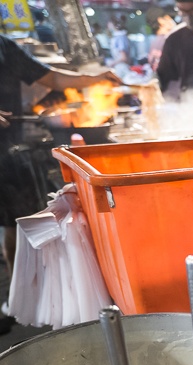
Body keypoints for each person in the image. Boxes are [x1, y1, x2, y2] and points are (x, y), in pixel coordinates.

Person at [0, 35, 121, 332]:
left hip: (7, 151)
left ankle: (21, 297)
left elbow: (51, 77)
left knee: (14, 221)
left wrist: (93, 77)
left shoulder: (3, 46)